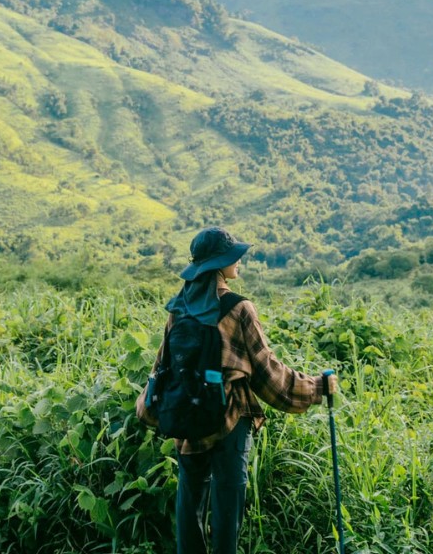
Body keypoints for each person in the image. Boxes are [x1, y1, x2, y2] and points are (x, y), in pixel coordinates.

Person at [136, 226, 338, 554]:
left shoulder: (179, 307)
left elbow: (162, 368)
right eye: (233, 258)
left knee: (190, 508)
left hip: (186, 420)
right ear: (219, 265)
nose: (239, 262)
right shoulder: (238, 308)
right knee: (227, 512)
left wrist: (146, 408)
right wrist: (316, 387)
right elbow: (270, 376)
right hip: (228, 419)